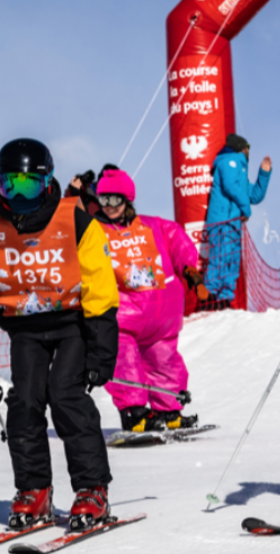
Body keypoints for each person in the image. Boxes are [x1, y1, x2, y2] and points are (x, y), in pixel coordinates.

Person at [0, 138, 120, 531]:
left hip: (72, 326)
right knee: (24, 403)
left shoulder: (76, 220)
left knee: (66, 397)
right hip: (26, 331)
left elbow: (100, 289)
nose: (18, 194)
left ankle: (91, 489)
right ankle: (35, 490)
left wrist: (102, 352)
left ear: (47, 181)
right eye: (9, 185)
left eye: (28, 185)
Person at [93, 169, 202, 432]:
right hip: (121, 315)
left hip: (161, 316)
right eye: (104, 200)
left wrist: (189, 269)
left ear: (127, 199)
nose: (109, 207)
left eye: (115, 200)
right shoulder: (93, 230)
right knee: (123, 360)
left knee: (164, 361)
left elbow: (177, 240)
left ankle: (169, 409)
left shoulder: (153, 226)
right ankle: (134, 413)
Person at [204, 133, 272, 302]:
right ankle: (211, 296)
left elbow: (254, 195)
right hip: (222, 220)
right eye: (248, 148)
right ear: (243, 148)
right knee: (221, 257)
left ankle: (224, 298)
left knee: (231, 260)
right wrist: (246, 211)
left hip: (232, 223)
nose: (249, 151)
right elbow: (231, 187)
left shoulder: (240, 171)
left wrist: (264, 173)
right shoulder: (230, 161)